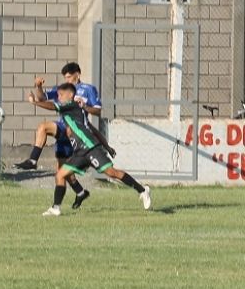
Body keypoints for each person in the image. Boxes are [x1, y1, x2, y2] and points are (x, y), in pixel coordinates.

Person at [29, 83, 151, 216]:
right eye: (58, 95)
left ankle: (143, 190)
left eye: (61, 95)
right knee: (60, 174)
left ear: (70, 95)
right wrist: (107, 147)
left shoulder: (72, 105)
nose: (58, 97)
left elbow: (52, 106)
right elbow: (92, 129)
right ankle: (55, 208)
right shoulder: (72, 112)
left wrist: (35, 102)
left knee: (111, 173)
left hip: (90, 147)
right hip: (80, 152)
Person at [15, 62, 101, 209]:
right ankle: (79, 193)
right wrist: (39, 87)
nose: (67, 80)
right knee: (61, 171)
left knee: (44, 127)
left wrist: (84, 107)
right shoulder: (63, 90)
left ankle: (33, 160)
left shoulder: (88, 89)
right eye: (65, 77)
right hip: (63, 126)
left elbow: (98, 111)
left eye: (69, 77)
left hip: (74, 130)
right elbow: (43, 98)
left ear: (77, 75)